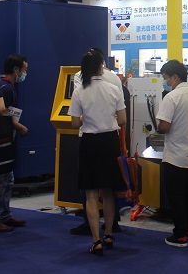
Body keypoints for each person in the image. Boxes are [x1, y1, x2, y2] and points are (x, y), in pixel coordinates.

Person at [69, 51, 127, 255]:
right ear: (101, 67)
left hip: (89, 143)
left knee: (91, 194)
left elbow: (74, 123)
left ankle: (96, 240)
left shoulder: (80, 91)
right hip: (110, 142)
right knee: (108, 191)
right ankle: (109, 234)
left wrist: (87, 117)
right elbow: (122, 119)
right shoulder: (114, 89)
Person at [156, 60, 188, 247]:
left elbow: (164, 126)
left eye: (166, 78)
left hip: (174, 157)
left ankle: (179, 235)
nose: (165, 82)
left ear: (175, 77)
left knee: (176, 196)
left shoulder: (171, 98)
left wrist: (159, 126)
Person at [0, 54, 29, 233]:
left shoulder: (7, 87)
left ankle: (4, 215)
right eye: (24, 70)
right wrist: (20, 127)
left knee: (8, 179)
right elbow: (2, 113)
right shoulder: (5, 88)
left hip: (6, 138)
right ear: (16, 69)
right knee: (1, 180)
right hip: (0, 140)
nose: (25, 73)